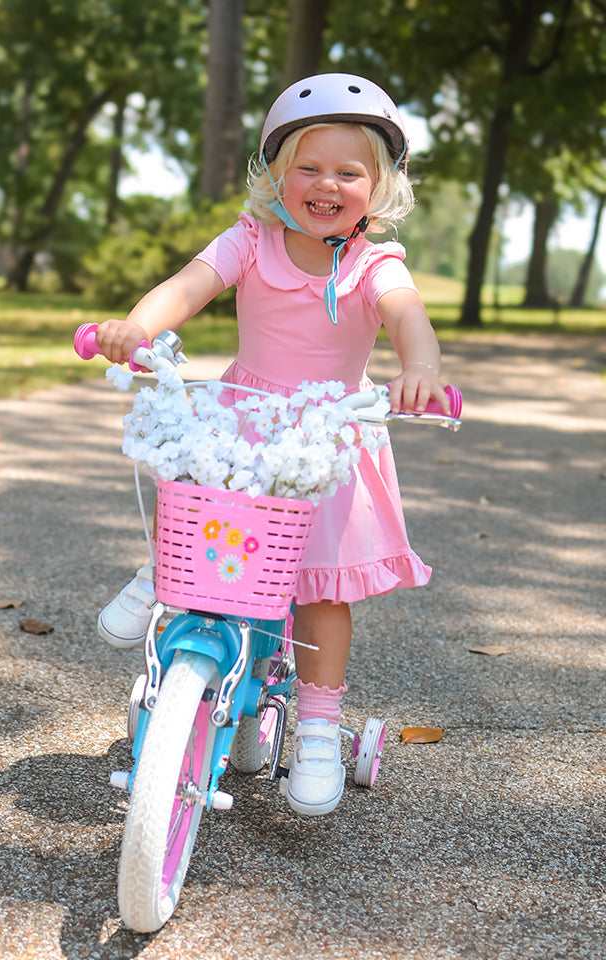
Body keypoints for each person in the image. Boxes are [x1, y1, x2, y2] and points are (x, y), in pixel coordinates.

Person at [94, 73, 450, 817]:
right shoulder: (251, 241)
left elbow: (406, 316)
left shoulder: (374, 264)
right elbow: (188, 286)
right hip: (246, 419)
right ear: (277, 176)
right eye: (308, 167)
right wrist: (138, 326)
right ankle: (163, 571)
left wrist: (420, 368)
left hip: (329, 437)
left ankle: (317, 726)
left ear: (378, 186)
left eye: (348, 172)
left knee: (320, 589)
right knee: (196, 492)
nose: (327, 184)